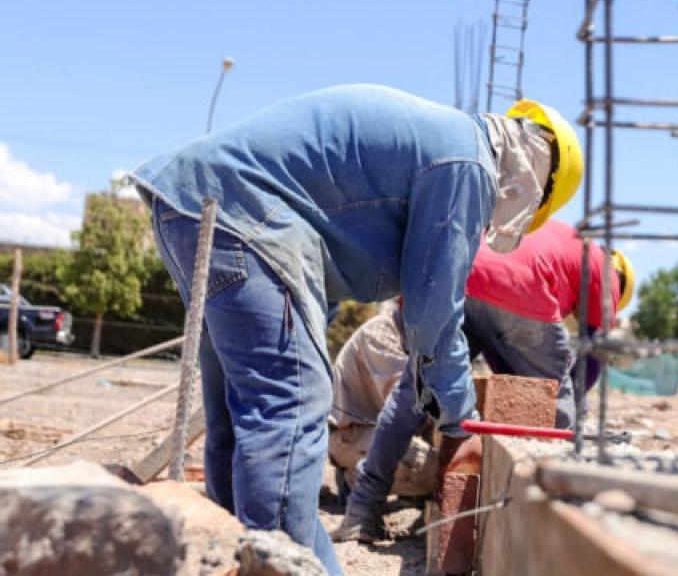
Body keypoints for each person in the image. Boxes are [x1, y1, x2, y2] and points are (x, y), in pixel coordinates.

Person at [132, 85, 582, 572]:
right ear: (536, 176)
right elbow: (432, 313)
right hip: (245, 213)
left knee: (240, 417)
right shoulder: (468, 163)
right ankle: (289, 566)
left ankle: (221, 557)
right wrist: (459, 419)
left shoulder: (445, 144)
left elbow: (331, 243)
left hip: (195, 201)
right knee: (289, 402)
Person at [461, 219, 634, 429]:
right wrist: (573, 400)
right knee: (554, 403)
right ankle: (551, 452)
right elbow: (592, 359)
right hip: (518, 283)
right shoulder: (609, 277)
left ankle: (419, 436)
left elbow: (499, 347)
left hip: (465, 275)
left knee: (439, 375)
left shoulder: (568, 244)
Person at [327, 298, 437, 518]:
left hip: (376, 431)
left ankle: (395, 486)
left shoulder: (416, 338)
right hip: (352, 434)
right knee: (431, 470)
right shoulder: (381, 335)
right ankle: (354, 477)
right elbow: (408, 404)